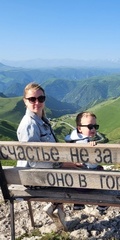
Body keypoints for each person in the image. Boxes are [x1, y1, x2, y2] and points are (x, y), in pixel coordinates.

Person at [17, 82, 81, 231]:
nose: (37, 102)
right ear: (24, 101)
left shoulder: (40, 120)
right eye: (32, 99)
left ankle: (57, 211)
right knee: (74, 175)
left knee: (71, 170)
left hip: (38, 174)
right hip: (33, 178)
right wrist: (62, 164)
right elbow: (34, 162)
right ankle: (58, 210)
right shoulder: (29, 125)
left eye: (41, 98)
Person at [65, 111, 109, 215]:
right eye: (90, 126)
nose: (93, 129)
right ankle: (103, 203)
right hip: (86, 184)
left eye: (95, 126)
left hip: (72, 183)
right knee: (100, 169)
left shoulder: (70, 139)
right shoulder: (86, 144)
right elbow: (92, 165)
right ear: (79, 128)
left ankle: (78, 203)